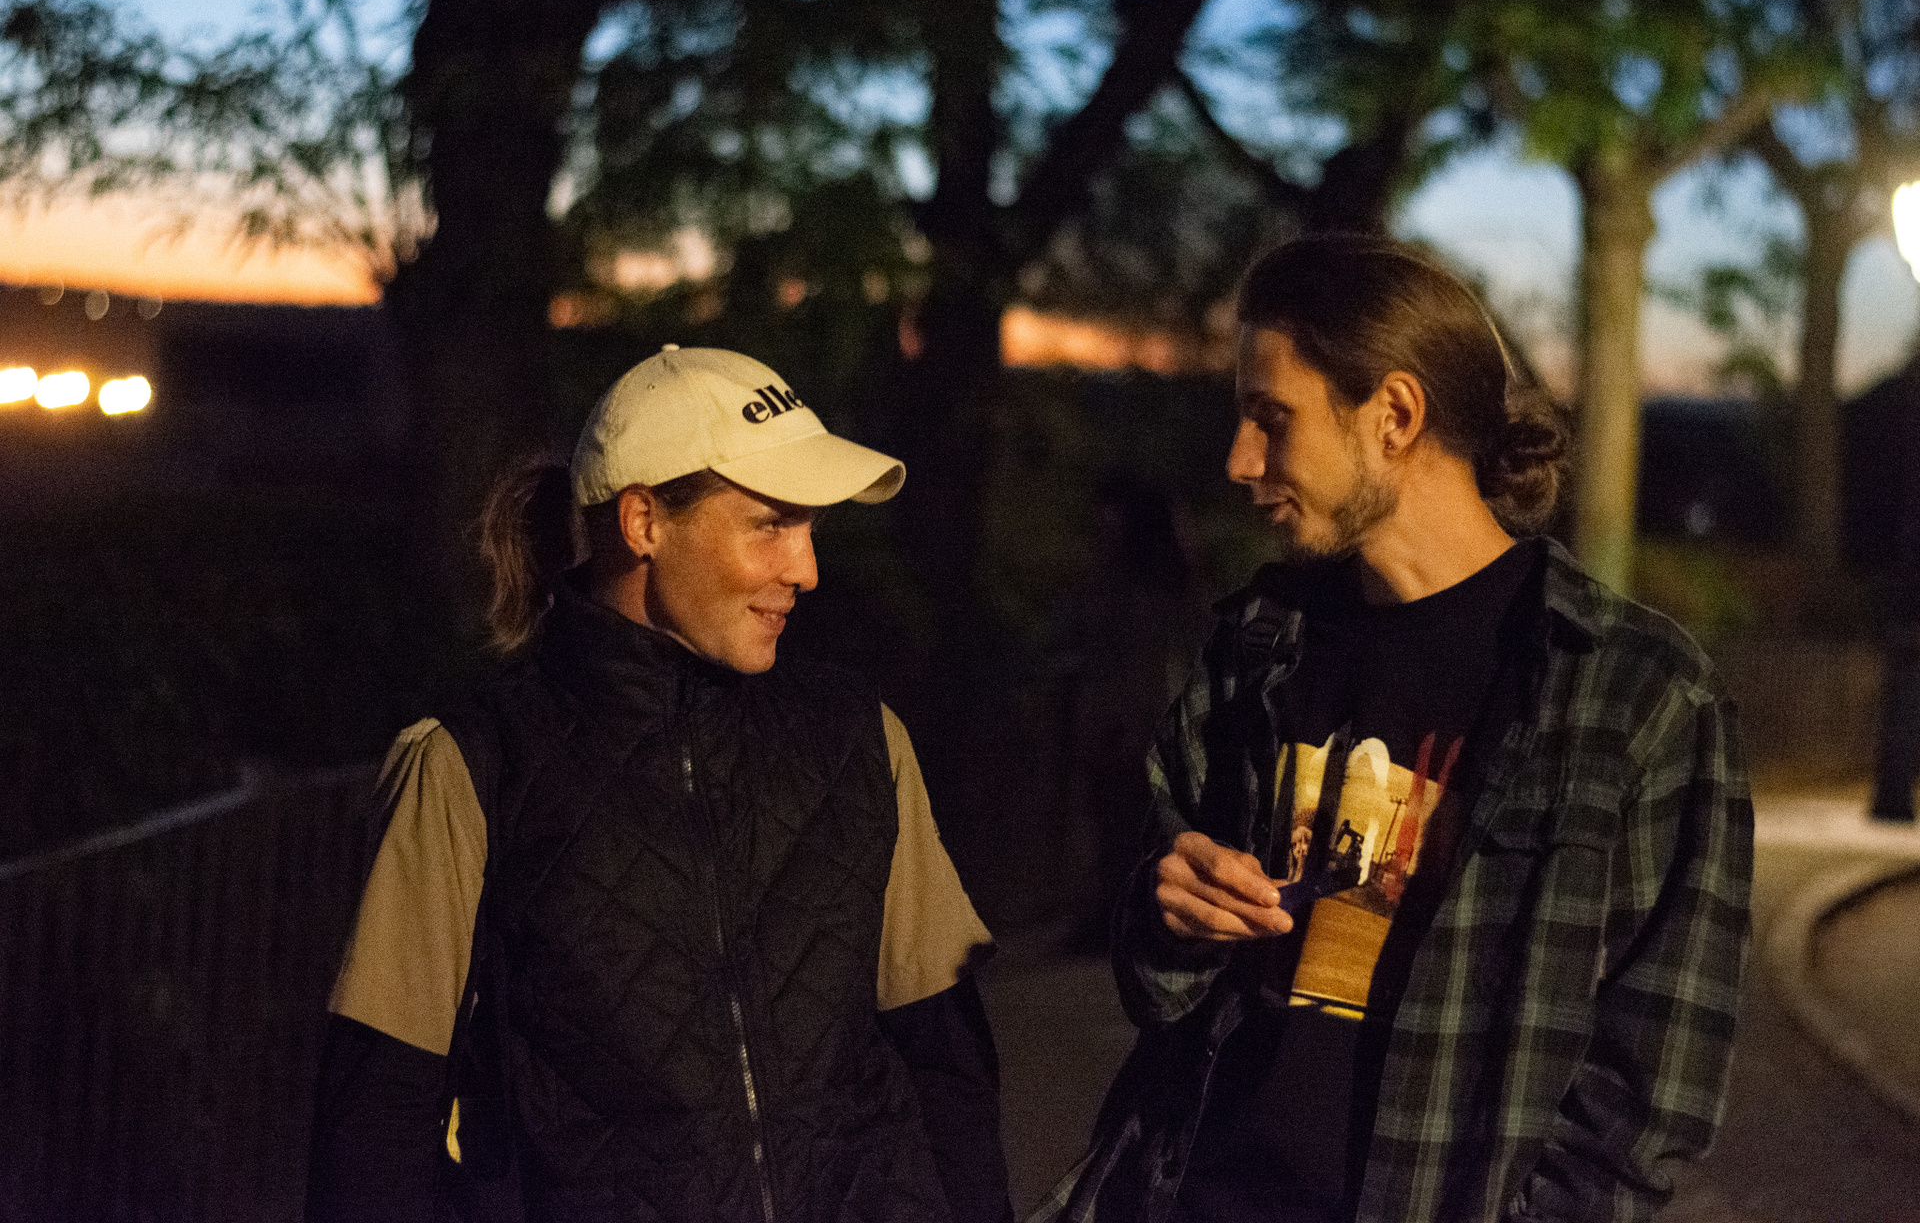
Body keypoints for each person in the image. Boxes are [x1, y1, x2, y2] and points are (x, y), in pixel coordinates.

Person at [1037, 236, 1753, 1223]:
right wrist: (1172, 916)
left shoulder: (1638, 695)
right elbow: (1157, 988)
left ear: (1396, 416)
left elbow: (1648, 1096)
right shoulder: (1258, 644)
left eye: (1271, 417)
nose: (1240, 461)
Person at [307, 346, 1012, 1223]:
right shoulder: (467, 765)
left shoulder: (860, 738)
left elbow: (947, 1069)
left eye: (810, 527)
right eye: (770, 523)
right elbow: (374, 1125)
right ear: (643, 522)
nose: (806, 568)